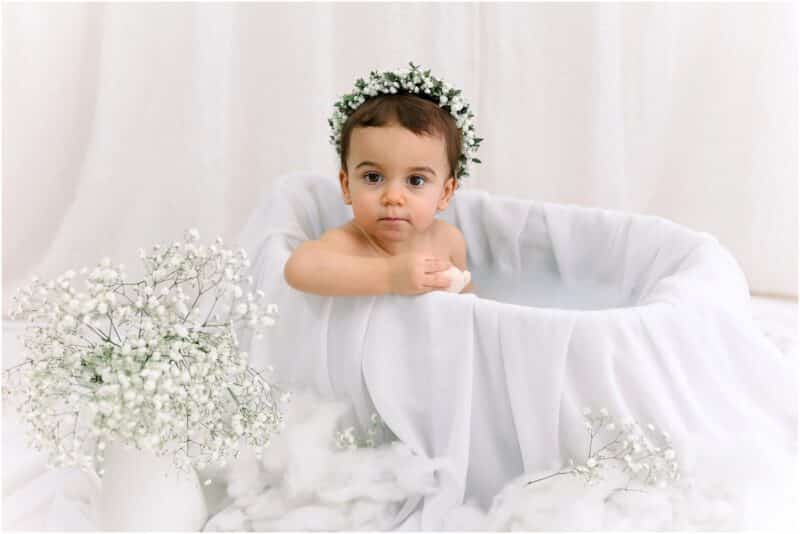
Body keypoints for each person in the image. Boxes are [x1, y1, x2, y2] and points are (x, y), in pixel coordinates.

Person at [284, 63, 482, 296]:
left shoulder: (449, 240)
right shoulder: (348, 244)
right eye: (373, 177)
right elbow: (298, 268)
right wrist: (390, 275)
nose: (393, 197)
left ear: (445, 193)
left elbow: (469, 304)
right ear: (347, 186)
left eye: (416, 180)